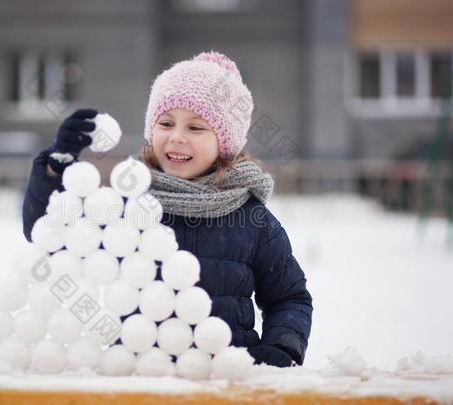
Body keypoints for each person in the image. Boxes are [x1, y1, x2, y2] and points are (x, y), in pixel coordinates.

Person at [22, 51, 313, 367]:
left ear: (224, 142)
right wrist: (56, 167)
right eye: (166, 123)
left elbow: (289, 298)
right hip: (135, 375)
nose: (177, 137)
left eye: (195, 127)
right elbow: (48, 234)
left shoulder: (251, 218)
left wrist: (281, 349)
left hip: (224, 382)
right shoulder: (124, 202)